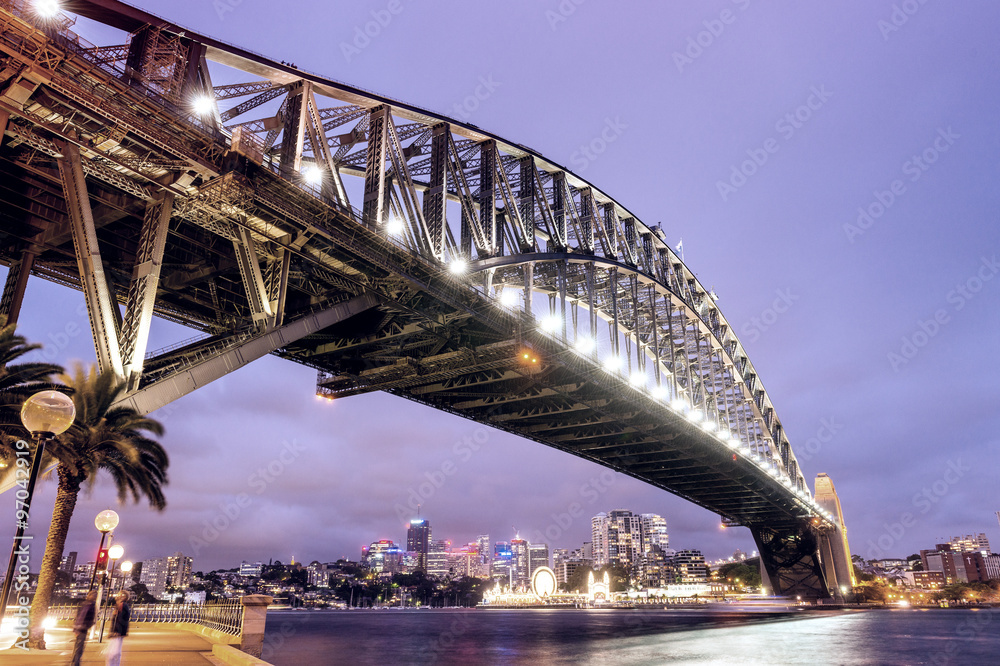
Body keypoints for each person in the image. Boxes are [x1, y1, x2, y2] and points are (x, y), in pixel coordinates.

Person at [70, 589, 98, 665]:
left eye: (95, 595)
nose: (94, 597)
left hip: (82, 628)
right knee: (79, 647)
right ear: (89, 596)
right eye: (93, 595)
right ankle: (76, 663)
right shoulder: (88, 605)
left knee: (78, 647)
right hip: (81, 628)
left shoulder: (90, 604)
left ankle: (74, 662)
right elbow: (81, 617)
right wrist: (77, 628)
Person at [105, 590, 131, 666]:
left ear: (125, 598)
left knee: (112, 654)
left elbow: (121, 620)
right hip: (118, 632)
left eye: (122, 595)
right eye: (119, 595)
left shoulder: (122, 605)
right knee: (115, 653)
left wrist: (117, 631)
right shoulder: (120, 605)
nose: (119, 596)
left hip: (117, 632)